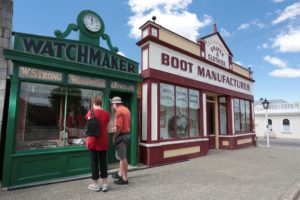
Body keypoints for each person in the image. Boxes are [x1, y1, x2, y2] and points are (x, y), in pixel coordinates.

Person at [85, 96, 110, 192]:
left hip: (93, 141)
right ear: (101, 103)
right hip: (103, 140)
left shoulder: (90, 113)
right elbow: (105, 124)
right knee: (103, 162)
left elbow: (88, 124)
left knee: (94, 163)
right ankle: (104, 184)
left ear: (93, 103)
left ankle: (96, 185)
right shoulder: (106, 114)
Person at [111, 96, 131, 185]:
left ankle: (125, 178)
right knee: (121, 156)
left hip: (121, 136)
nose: (112, 106)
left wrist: (114, 137)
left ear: (116, 104)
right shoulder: (126, 109)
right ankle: (120, 174)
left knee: (123, 158)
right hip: (127, 135)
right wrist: (117, 128)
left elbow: (119, 127)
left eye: (112, 104)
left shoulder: (118, 111)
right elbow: (124, 124)